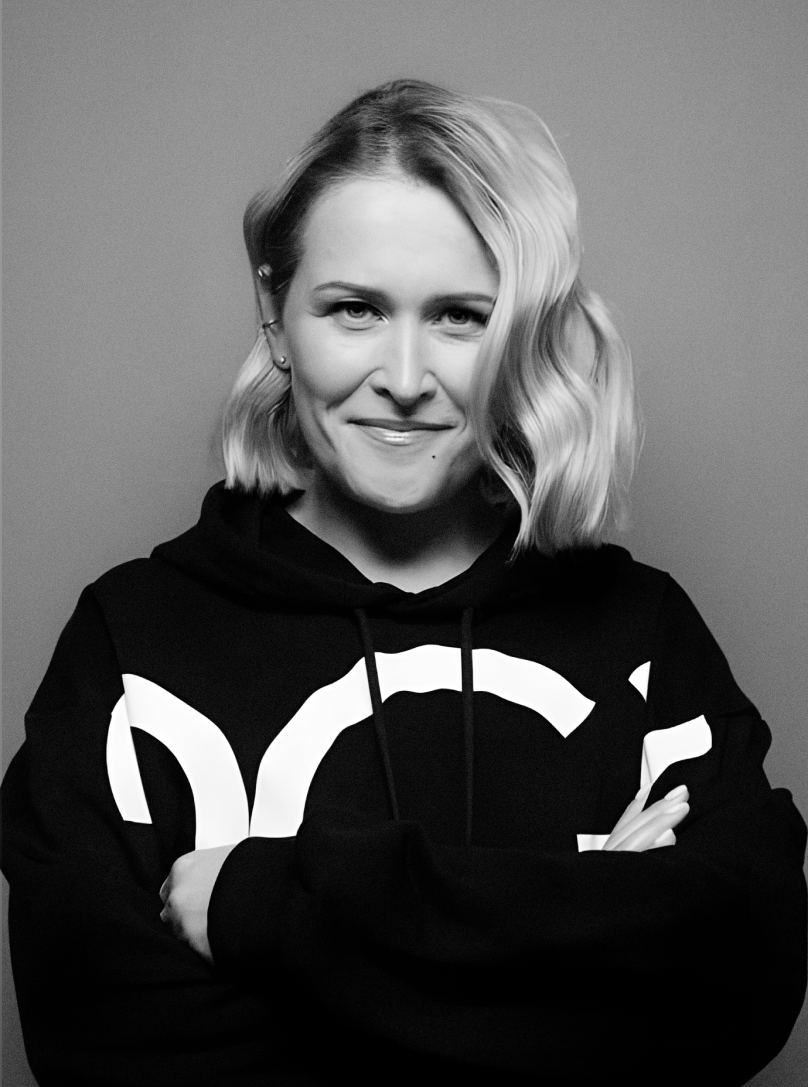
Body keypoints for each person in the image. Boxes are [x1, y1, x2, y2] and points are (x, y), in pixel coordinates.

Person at [2, 79, 805, 1087]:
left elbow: (743, 984)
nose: (407, 377)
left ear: (519, 336)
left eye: (462, 317)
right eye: (355, 309)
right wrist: (578, 913)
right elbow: (103, 1045)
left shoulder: (640, 638)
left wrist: (275, 903)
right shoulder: (134, 642)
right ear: (275, 316)